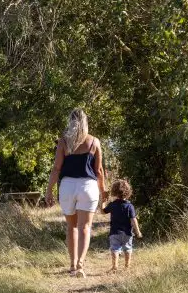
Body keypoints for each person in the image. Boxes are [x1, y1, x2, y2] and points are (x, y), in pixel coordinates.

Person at [45, 108, 107, 276]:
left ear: (70, 122)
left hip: (67, 186)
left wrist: (49, 190)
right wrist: (104, 192)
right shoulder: (94, 142)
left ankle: (72, 264)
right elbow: (99, 170)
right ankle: (80, 265)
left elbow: (56, 168)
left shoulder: (63, 142)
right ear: (85, 122)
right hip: (88, 186)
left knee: (71, 226)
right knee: (85, 227)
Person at [103, 178, 142, 272]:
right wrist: (138, 232)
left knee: (115, 249)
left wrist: (103, 201)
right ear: (128, 192)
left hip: (114, 232)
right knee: (128, 248)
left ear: (114, 192)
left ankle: (114, 266)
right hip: (127, 233)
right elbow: (133, 220)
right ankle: (127, 266)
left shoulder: (112, 204)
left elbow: (103, 211)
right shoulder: (129, 206)